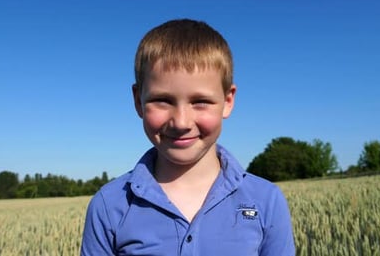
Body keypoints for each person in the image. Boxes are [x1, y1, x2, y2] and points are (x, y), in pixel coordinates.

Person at [81, 18, 295, 255]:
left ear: (228, 101)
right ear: (137, 101)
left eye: (200, 101)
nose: (181, 122)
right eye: (162, 101)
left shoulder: (266, 201)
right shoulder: (109, 205)